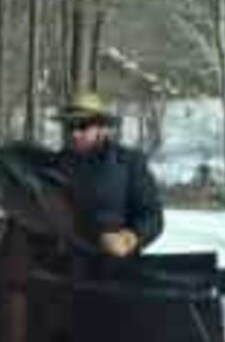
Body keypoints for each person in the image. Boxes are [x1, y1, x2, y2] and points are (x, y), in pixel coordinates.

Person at [54, 91, 164, 258]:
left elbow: (152, 216)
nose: (75, 134)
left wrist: (129, 238)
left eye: (83, 126)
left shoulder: (129, 163)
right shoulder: (57, 164)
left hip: (117, 271)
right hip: (65, 268)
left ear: (101, 128)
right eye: (70, 126)